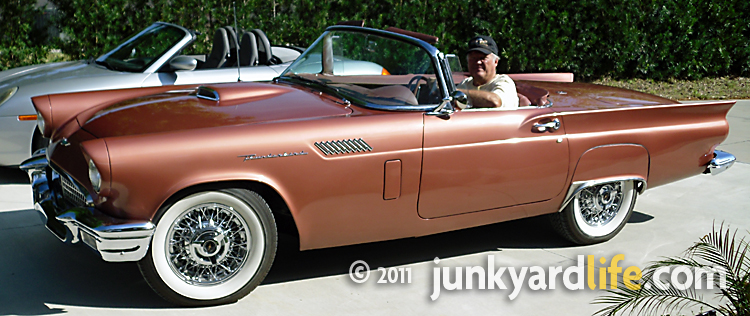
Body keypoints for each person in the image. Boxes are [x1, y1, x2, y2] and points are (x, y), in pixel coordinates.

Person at [456, 35, 519, 109]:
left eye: (483, 58)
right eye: (473, 58)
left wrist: (457, 94)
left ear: (495, 62)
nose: (478, 62)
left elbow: (495, 101)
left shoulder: (504, 81)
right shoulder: (466, 83)